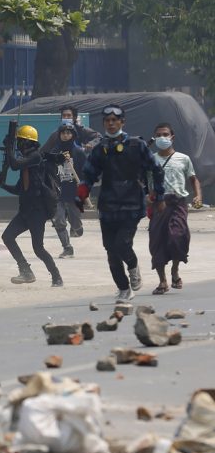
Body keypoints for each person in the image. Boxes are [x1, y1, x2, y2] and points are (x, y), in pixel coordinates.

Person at [78, 104, 165, 303]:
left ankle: (133, 267)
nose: (110, 124)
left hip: (131, 205)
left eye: (114, 120)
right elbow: (89, 174)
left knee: (122, 244)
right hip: (108, 206)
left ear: (122, 122)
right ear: (104, 123)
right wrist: (81, 193)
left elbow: (156, 169)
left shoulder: (137, 145)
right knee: (110, 250)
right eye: (107, 121)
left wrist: (158, 195)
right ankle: (124, 289)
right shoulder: (100, 148)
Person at [0, 125, 63, 287]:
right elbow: (19, 189)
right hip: (25, 211)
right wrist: (1, 185)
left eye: (20, 141)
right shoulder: (26, 165)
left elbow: (14, 164)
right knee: (7, 237)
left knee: (38, 248)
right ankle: (25, 270)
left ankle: (56, 276)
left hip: (37, 212)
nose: (18, 145)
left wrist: (9, 148)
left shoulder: (35, 157)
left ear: (27, 142)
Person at [148, 122, 203, 295]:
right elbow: (144, 181)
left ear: (172, 137)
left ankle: (175, 270)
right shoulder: (151, 160)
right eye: (158, 135)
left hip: (178, 203)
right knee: (157, 241)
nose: (162, 138)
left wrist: (198, 195)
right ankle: (162, 281)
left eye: (165, 134)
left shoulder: (183, 158)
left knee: (178, 236)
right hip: (158, 204)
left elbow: (193, 179)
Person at [49, 120, 87, 257]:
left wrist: (83, 185)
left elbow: (86, 172)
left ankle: (77, 226)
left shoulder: (79, 152)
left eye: (68, 133)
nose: (65, 135)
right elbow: (49, 171)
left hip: (74, 191)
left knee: (75, 220)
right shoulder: (54, 152)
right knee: (58, 220)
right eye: (63, 133)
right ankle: (67, 248)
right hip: (58, 191)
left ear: (73, 135)